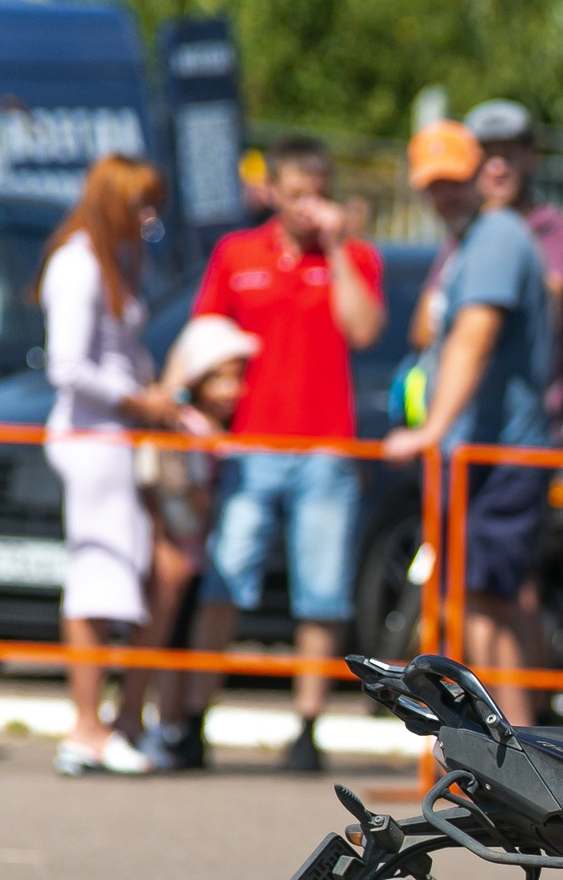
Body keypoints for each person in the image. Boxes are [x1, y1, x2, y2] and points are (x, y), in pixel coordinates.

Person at [174, 135, 385, 773]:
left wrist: (337, 248)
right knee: (224, 580)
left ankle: (307, 727)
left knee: (321, 592)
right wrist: (194, 408)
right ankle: (193, 719)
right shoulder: (238, 253)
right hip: (250, 446)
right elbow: (204, 337)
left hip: (325, 449)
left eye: (317, 194)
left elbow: (364, 330)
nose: (306, 207)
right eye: (295, 194)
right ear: (273, 192)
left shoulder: (355, 257)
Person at [381, 121, 555, 724]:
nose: (443, 195)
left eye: (453, 181)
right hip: (481, 456)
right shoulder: (472, 242)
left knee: (485, 607)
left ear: (480, 175)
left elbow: (474, 336)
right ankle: (511, 753)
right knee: (479, 604)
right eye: (433, 185)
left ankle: (519, 756)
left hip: (498, 457)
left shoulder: (496, 238)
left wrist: (431, 431)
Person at [39, 154, 189, 777]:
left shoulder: (113, 260)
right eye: (140, 205)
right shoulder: (78, 264)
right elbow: (67, 366)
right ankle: (86, 727)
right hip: (93, 437)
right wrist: (140, 400)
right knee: (96, 576)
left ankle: (116, 722)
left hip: (115, 436)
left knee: (139, 570)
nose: (150, 218)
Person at [125, 314, 254, 761]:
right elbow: (171, 489)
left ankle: (174, 726)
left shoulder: (211, 429)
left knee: (180, 642)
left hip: (197, 554)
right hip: (179, 550)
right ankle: (148, 723)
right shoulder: (184, 428)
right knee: (162, 641)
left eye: (237, 378)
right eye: (220, 379)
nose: (232, 390)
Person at [463, 100, 563, 424]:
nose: (497, 168)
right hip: (469, 420)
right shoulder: (464, 233)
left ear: (533, 156)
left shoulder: (558, 233)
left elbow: (538, 315)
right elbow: (424, 328)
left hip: (531, 423)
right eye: (486, 156)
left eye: (508, 154)